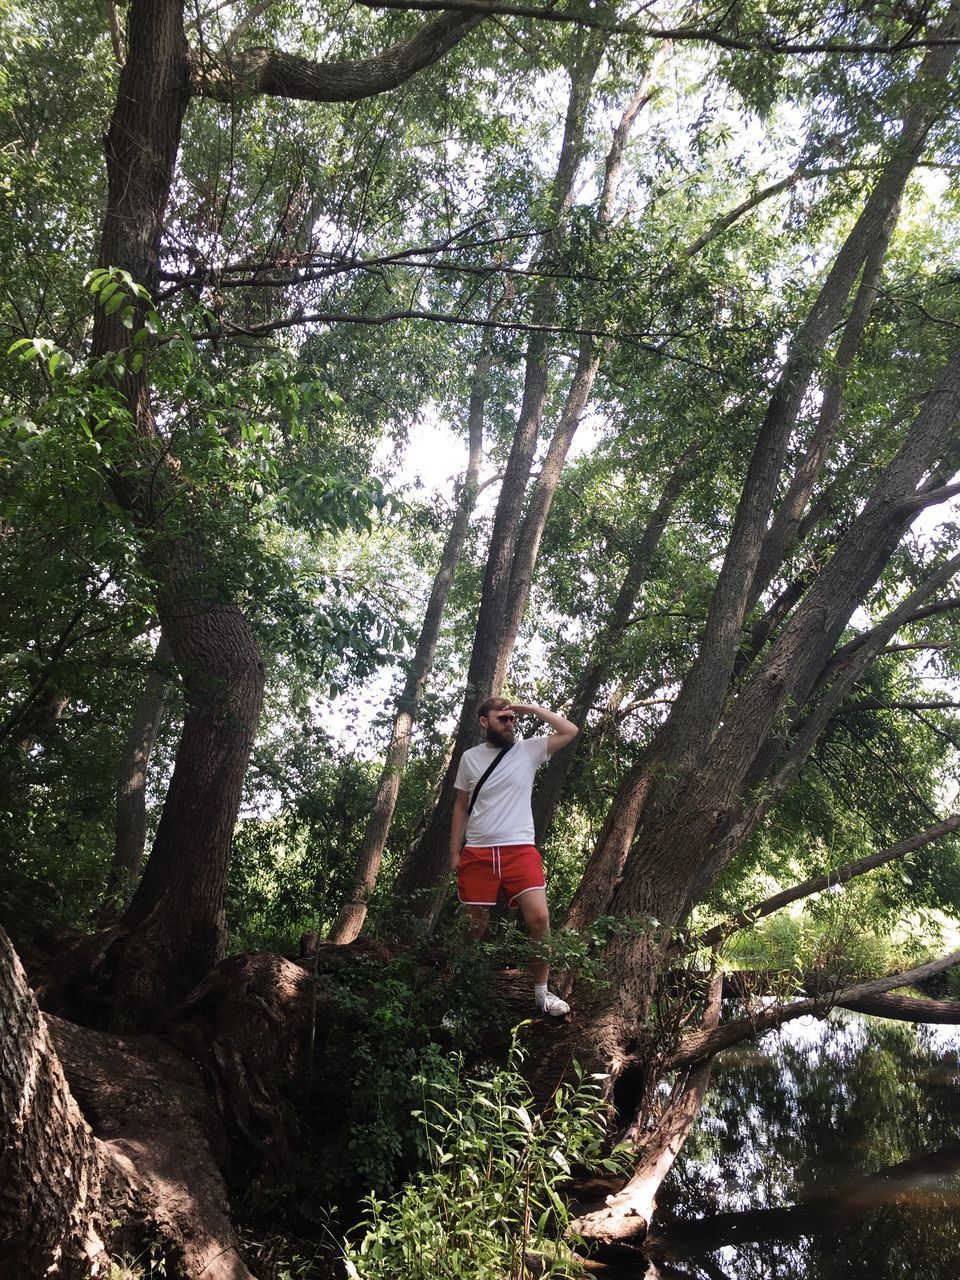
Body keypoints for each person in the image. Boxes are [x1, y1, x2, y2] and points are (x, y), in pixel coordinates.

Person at [449, 696, 578, 1017]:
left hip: (520, 849)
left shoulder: (527, 750)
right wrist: (454, 850)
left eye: (512, 718)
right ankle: (458, 1000)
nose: (510, 723)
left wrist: (533, 709)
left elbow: (570, 731)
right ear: (484, 722)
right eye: (502, 718)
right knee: (473, 927)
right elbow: (460, 806)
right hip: (478, 852)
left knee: (540, 919)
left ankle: (542, 996)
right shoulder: (470, 758)